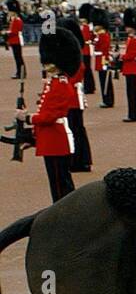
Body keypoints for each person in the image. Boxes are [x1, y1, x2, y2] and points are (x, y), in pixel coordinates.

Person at [29, 28, 81, 202]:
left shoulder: (60, 85)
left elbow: (48, 116)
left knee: (60, 184)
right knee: (57, 181)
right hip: (51, 139)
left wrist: (29, 118)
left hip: (55, 140)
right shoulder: (55, 83)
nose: (45, 64)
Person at [58, 18, 93, 173]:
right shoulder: (69, 53)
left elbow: (75, 75)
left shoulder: (75, 55)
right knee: (74, 128)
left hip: (73, 96)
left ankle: (82, 161)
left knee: (76, 128)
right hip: (70, 95)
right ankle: (78, 159)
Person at [120, 8, 136, 121]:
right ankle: (135, 114)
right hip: (129, 68)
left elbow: (132, 54)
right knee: (132, 92)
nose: (126, 28)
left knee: (132, 92)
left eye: (128, 26)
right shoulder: (130, 39)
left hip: (132, 68)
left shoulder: (135, 39)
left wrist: (121, 57)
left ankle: (135, 114)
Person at [92, 8, 115, 107]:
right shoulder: (99, 35)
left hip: (103, 61)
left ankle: (108, 100)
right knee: (103, 81)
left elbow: (105, 51)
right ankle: (106, 99)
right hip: (99, 60)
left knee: (105, 81)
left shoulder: (104, 36)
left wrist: (104, 64)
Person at [77, 3, 96, 97]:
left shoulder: (86, 27)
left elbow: (84, 38)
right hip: (85, 49)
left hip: (86, 50)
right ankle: (89, 86)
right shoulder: (86, 27)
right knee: (87, 69)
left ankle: (89, 87)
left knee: (86, 69)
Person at [5, 0, 24, 79]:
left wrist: (6, 33)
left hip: (16, 40)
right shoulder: (14, 20)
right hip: (14, 41)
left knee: (18, 58)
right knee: (18, 58)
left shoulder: (16, 20)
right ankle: (20, 72)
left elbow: (14, 32)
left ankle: (20, 73)